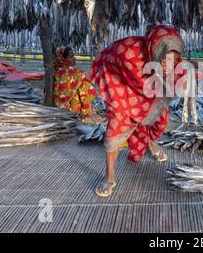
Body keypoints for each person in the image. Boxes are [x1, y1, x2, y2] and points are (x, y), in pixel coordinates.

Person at [90, 25, 184, 197]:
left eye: (173, 61)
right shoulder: (127, 50)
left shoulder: (174, 65)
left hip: (152, 95)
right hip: (124, 91)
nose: (167, 66)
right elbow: (107, 58)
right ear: (153, 50)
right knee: (115, 130)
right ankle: (110, 176)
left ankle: (150, 142)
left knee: (159, 123)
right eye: (164, 60)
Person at [53, 47, 97, 120]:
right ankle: (86, 112)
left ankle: (86, 112)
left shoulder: (68, 68)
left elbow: (80, 75)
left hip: (72, 96)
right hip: (66, 103)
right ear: (62, 57)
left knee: (84, 85)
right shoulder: (61, 72)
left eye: (73, 56)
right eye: (70, 57)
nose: (73, 59)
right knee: (84, 86)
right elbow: (64, 91)